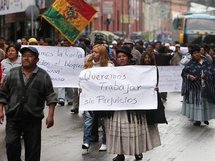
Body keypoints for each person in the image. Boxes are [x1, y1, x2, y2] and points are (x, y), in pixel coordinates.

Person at [104, 46, 166, 161]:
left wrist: (152, 89)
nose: (121, 59)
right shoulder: (110, 72)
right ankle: (120, 154)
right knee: (119, 132)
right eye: (119, 57)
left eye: (124, 56)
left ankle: (137, 151)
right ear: (116, 59)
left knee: (134, 131)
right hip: (118, 108)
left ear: (128, 58)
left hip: (134, 109)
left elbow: (146, 84)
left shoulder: (138, 70)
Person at [0, 46, 57, 161]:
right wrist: (0, 110)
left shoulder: (43, 76)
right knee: (11, 145)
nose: (26, 58)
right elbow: (3, 93)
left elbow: (51, 96)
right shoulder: (12, 73)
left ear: (37, 59)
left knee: (33, 151)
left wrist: (50, 115)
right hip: (13, 117)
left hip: (33, 118)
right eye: (24, 56)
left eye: (30, 56)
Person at [82, 44, 114, 153]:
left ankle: (104, 142)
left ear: (102, 54)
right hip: (90, 97)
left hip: (104, 98)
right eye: (93, 51)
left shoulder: (109, 66)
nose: (93, 54)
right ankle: (86, 141)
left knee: (104, 120)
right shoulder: (88, 64)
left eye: (96, 52)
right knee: (88, 119)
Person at [181, 44, 215, 126]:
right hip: (195, 89)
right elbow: (184, 73)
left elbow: (213, 72)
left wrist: (206, 75)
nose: (197, 54)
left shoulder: (206, 61)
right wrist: (189, 76)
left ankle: (205, 118)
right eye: (194, 53)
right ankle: (197, 120)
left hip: (205, 87)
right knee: (197, 104)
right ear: (192, 54)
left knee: (205, 103)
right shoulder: (190, 63)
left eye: (198, 52)